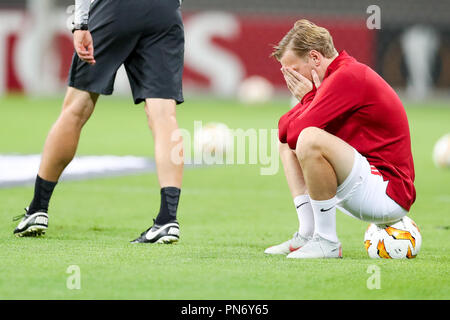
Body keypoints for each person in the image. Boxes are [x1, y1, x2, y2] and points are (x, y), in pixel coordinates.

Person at [13, 0, 185, 244]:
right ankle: (167, 220)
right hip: (164, 11)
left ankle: (37, 209)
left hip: (116, 9)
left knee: (75, 109)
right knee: (164, 115)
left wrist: (81, 23)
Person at [264, 19, 416, 258]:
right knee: (292, 141)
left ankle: (327, 241)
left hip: (388, 192)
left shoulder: (347, 76)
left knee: (309, 138)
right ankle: (307, 234)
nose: (290, 79)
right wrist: (311, 99)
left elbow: (296, 131)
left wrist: (308, 100)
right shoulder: (337, 77)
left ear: (315, 58)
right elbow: (283, 131)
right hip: (367, 182)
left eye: (293, 71)